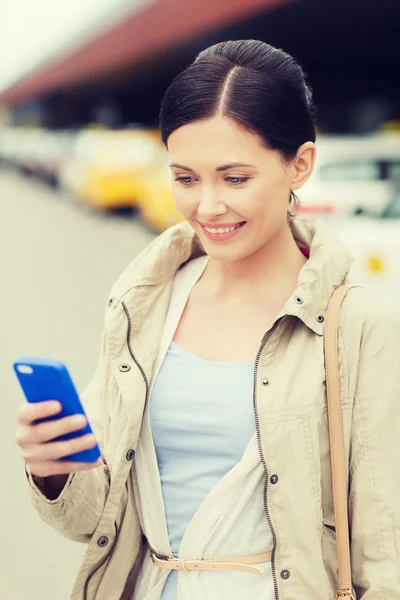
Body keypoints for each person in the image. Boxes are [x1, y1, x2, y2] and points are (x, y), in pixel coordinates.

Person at [15, 40, 400, 600]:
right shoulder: (144, 302)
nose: (208, 206)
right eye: (186, 178)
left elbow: (383, 546)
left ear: (300, 164)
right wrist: (54, 470)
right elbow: (93, 523)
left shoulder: (360, 322)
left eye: (235, 178)